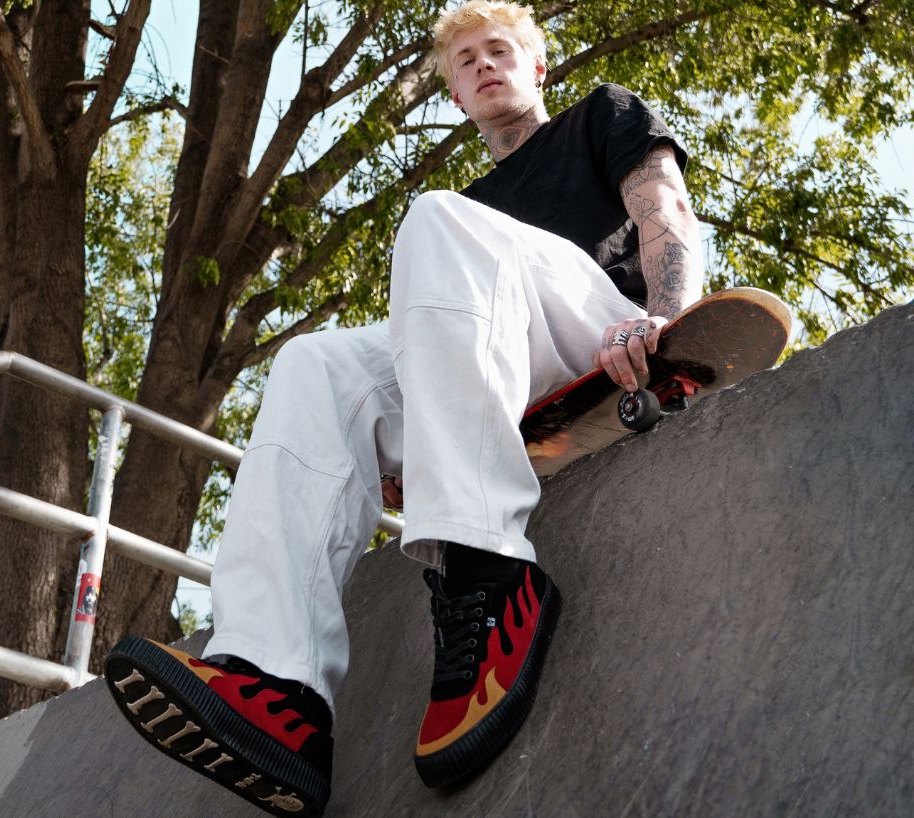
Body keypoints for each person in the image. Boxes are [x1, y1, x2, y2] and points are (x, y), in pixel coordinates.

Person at [103, 1, 704, 814]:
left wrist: (669, 321)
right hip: (502, 362)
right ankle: (276, 684)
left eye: (500, 51)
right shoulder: (464, 208)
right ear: (454, 93)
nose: (484, 65)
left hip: (601, 329)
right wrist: (409, 440)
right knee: (314, 363)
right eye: (466, 61)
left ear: (537, 68)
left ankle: (488, 574)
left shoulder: (600, 115)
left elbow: (664, 209)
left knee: (438, 218)